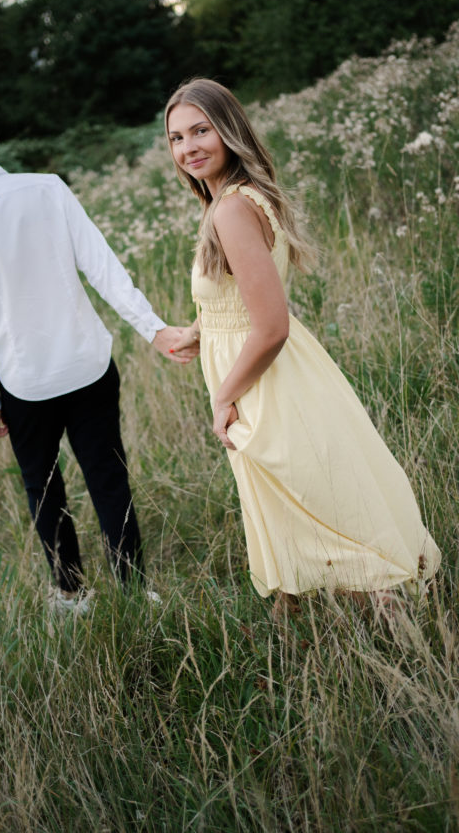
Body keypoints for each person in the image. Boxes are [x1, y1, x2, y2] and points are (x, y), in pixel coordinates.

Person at [166, 78, 441, 612]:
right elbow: (244, 299)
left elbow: (270, 324)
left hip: (263, 377)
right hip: (265, 368)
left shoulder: (230, 209)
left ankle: (388, 608)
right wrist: (200, 331)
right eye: (177, 138)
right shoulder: (236, 197)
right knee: (284, 495)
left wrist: (224, 397)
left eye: (201, 130)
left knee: (307, 494)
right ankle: (296, 618)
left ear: (229, 130)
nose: (188, 147)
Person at [0, 102, 197, 615]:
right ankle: (135, 590)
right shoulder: (48, 188)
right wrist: (154, 329)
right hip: (87, 364)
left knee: (43, 488)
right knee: (108, 475)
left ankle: (71, 593)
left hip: (22, 380)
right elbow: (104, 267)